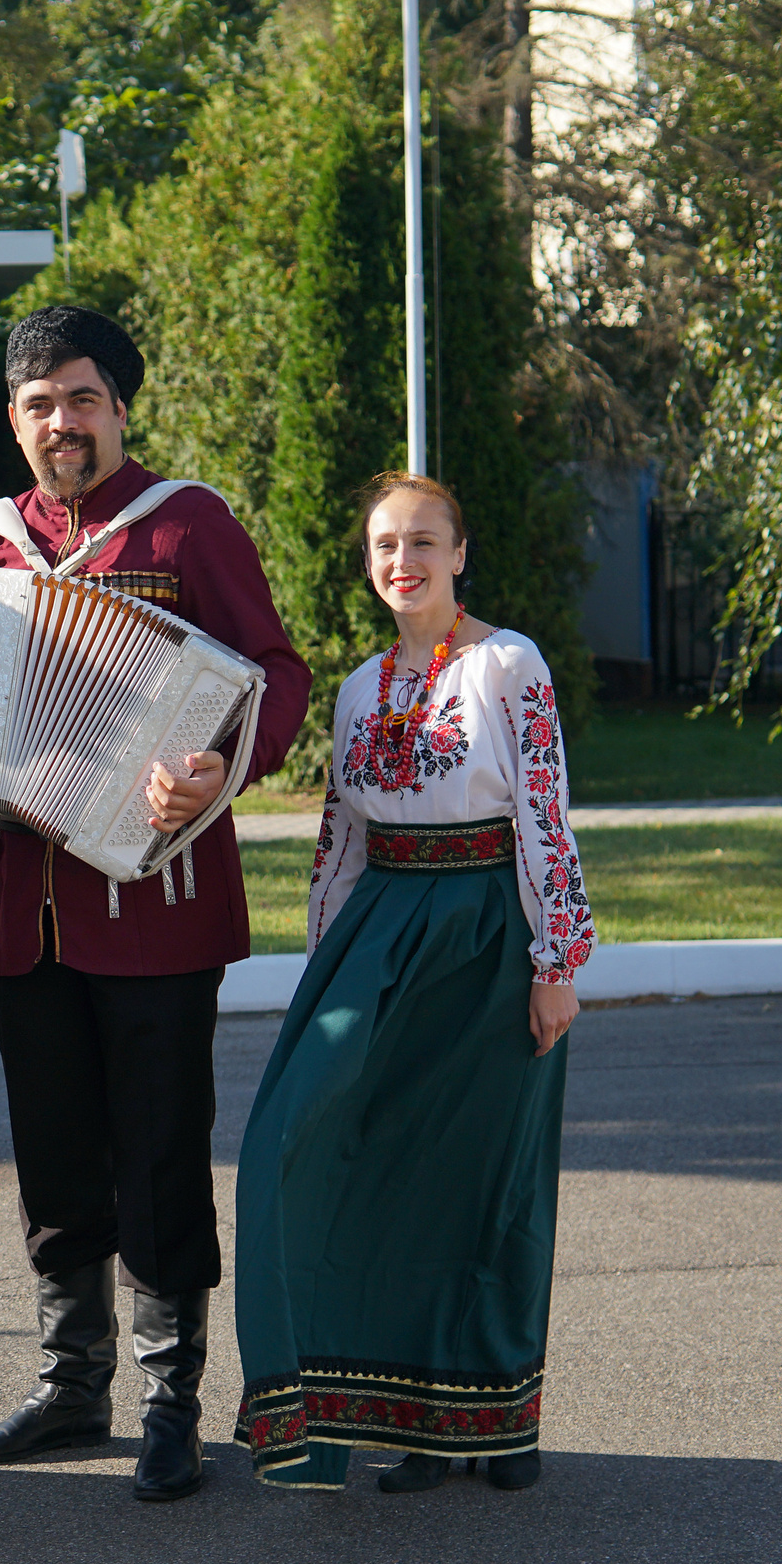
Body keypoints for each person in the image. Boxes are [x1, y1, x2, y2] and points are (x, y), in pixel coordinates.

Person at [0, 306, 312, 1502]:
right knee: (54, 1156)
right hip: (27, 914)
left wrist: (221, 763)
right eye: (39, 404)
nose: (62, 423)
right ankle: (70, 1382)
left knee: (156, 1152)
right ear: (13, 419)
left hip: (157, 903)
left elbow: (278, 673)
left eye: (82, 400)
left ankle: (170, 1400)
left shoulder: (187, 523)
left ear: (120, 409)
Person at [232, 473, 592, 1495]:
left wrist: (554, 962)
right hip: (382, 934)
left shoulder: (506, 663)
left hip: (486, 931)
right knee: (327, 1150)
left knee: (485, 1181)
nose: (404, 561)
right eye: (385, 545)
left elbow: (543, 812)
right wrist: (324, 965)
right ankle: (381, 1412)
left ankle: (493, 1428)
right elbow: (340, 836)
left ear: (459, 553)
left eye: (424, 542)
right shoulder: (355, 687)